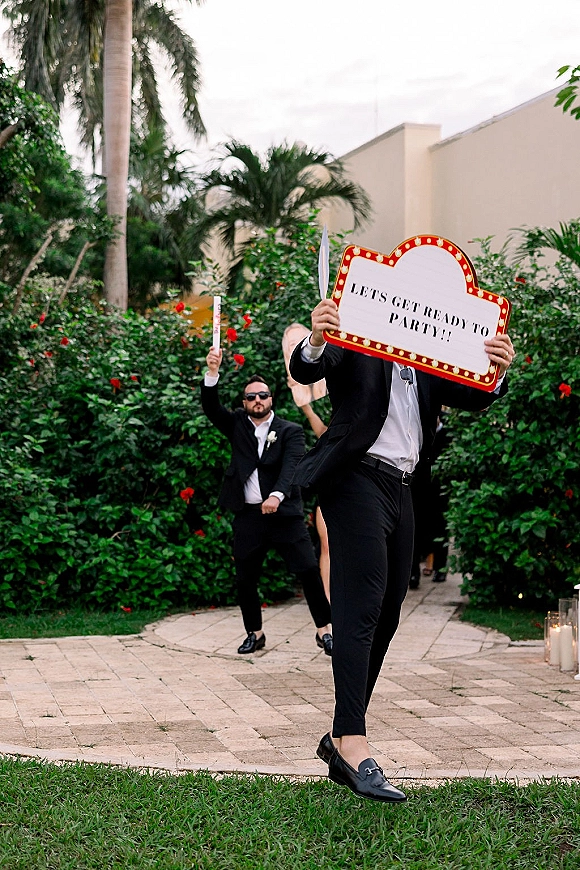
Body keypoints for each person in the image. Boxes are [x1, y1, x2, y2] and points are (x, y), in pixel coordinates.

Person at [289, 298, 514, 802]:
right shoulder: (360, 335)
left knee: (388, 615)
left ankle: (340, 737)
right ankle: (355, 745)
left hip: (403, 487)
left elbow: (472, 395)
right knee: (361, 609)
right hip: (356, 478)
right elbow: (309, 365)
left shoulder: (430, 349)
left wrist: (496, 371)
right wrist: (318, 338)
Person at [200, 347, 333, 655]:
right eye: (250, 397)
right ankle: (254, 633)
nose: (257, 400)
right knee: (245, 577)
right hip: (248, 517)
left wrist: (276, 495)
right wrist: (212, 372)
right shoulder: (236, 425)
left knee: (309, 571)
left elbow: (292, 467)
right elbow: (210, 408)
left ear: (271, 398)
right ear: (244, 403)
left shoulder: (290, 430)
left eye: (262, 395)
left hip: (284, 515)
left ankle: (324, 631)